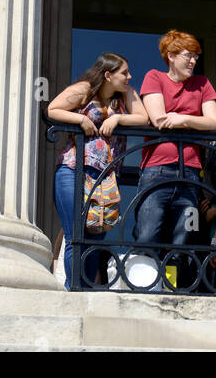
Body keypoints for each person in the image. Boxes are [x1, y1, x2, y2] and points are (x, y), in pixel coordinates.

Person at [47, 52, 148, 288]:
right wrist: (80, 120)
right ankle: (75, 290)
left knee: (96, 236)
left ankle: (87, 289)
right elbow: (53, 109)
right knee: (76, 237)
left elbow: (143, 118)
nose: (129, 77)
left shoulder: (126, 94)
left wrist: (119, 119)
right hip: (73, 170)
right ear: (108, 75)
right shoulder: (84, 89)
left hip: (106, 178)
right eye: (124, 72)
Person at [134, 30, 216, 272]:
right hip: (156, 168)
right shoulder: (155, 77)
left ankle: (170, 291)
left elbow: (214, 122)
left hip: (191, 170)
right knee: (148, 235)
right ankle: (144, 287)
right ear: (170, 56)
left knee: (181, 240)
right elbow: (159, 119)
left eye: (195, 57)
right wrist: (193, 120)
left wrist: (182, 119)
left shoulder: (202, 83)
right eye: (188, 56)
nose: (193, 61)